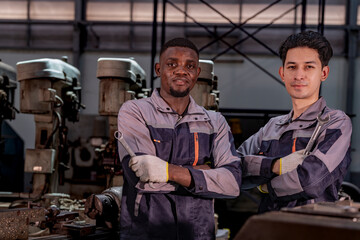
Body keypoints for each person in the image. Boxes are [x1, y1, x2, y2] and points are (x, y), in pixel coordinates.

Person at [117, 38, 242, 240]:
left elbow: (232, 184)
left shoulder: (214, 122)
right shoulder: (135, 111)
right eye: (172, 64)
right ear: (158, 69)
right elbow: (143, 178)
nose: (181, 71)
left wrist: (167, 171)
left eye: (190, 66)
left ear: (197, 73)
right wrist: (205, 174)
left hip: (197, 233)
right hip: (146, 233)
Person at [237, 31, 352, 213]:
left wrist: (265, 186)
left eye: (308, 67)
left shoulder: (335, 123)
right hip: (270, 227)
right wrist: (276, 166)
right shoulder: (271, 128)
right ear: (282, 73)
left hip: (313, 228)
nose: (299, 75)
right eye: (292, 67)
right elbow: (233, 167)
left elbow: (310, 181)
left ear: (324, 73)